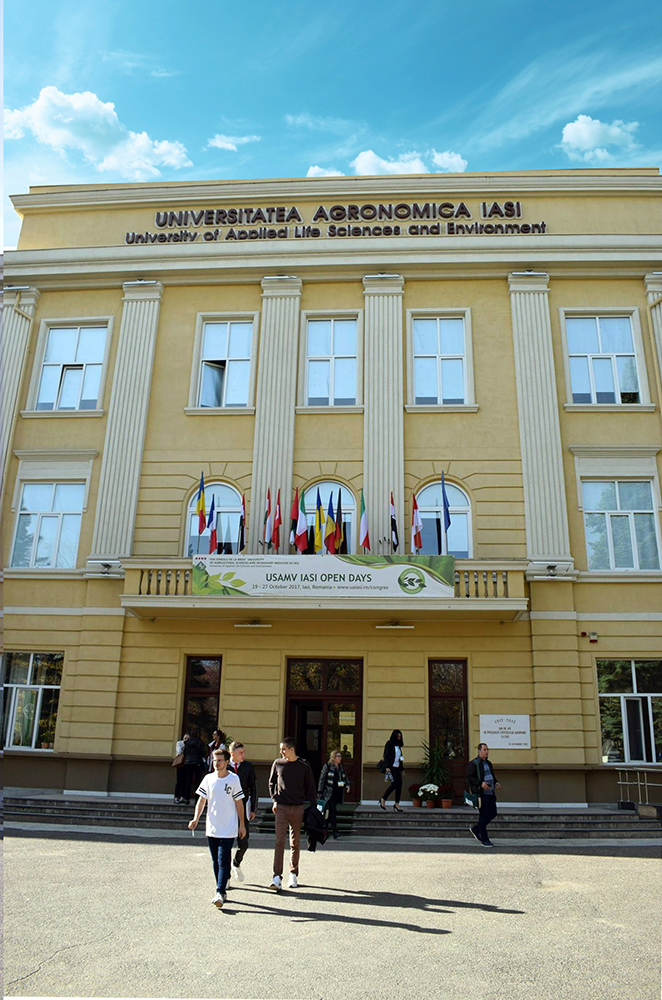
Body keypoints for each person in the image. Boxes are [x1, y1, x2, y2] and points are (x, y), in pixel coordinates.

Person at [188, 749, 246, 908]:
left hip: (228, 828)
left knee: (223, 859)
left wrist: (242, 824)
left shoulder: (233, 779)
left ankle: (220, 891)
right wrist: (195, 819)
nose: (216, 763)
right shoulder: (208, 779)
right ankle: (222, 886)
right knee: (215, 861)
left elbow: (239, 803)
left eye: (220, 760)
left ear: (227, 762)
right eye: (214, 760)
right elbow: (202, 800)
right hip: (212, 827)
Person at [268, 736, 318, 891]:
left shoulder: (303, 766)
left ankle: (293, 873)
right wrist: (274, 800)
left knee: (295, 842)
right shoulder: (278, 763)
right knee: (279, 842)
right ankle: (276, 877)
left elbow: (310, 787)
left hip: (297, 808)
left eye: (284, 749)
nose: (281, 752)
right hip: (281, 807)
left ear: (292, 749)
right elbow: (271, 783)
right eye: (281, 749)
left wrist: (314, 807)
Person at [227, 741, 258, 882]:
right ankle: (225, 877)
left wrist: (253, 809)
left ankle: (236, 862)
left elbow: (254, 788)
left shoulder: (247, 767)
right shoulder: (225, 766)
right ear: (232, 754)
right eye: (240, 753)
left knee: (244, 842)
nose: (243, 755)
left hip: (243, 808)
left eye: (244, 752)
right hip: (228, 809)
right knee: (225, 844)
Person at [466, 743, 502, 847]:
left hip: (490, 793)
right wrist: (480, 783)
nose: (486, 752)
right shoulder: (474, 763)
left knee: (493, 813)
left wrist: (496, 782)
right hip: (481, 794)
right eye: (484, 749)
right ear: (479, 751)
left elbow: (491, 775)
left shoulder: (489, 763)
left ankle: (476, 828)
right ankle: (484, 839)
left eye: (487, 749)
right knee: (484, 815)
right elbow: (469, 777)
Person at [318, 750, 349, 838]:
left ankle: (323, 831)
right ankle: (335, 831)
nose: (340, 758)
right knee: (332, 811)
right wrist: (320, 791)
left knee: (329, 813)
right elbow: (322, 779)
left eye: (340, 756)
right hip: (328, 793)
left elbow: (345, 777)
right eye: (338, 756)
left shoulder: (341, 767)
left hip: (337, 792)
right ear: (333, 757)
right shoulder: (327, 766)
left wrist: (347, 785)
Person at [180, 727, 208, 805]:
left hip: (188, 763)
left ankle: (186, 798)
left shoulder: (187, 743)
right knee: (197, 781)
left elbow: (185, 753)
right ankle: (197, 799)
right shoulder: (200, 742)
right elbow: (203, 752)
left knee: (188, 781)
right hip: (197, 763)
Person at [379, 729, 405, 812]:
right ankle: (383, 799)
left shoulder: (399, 746)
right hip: (391, 767)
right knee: (394, 784)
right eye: (398, 736)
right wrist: (387, 767)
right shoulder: (389, 744)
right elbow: (386, 755)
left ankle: (397, 803)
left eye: (400, 736)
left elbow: (400, 758)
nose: (399, 738)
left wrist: (402, 768)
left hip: (397, 767)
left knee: (399, 785)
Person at [173, 732, 189, 803]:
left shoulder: (190, 745)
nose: (186, 740)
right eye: (185, 738)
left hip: (187, 764)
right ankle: (177, 796)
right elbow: (179, 752)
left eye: (188, 739)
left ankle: (182, 796)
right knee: (179, 780)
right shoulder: (179, 743)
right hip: (180, 764)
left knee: (185, 781)